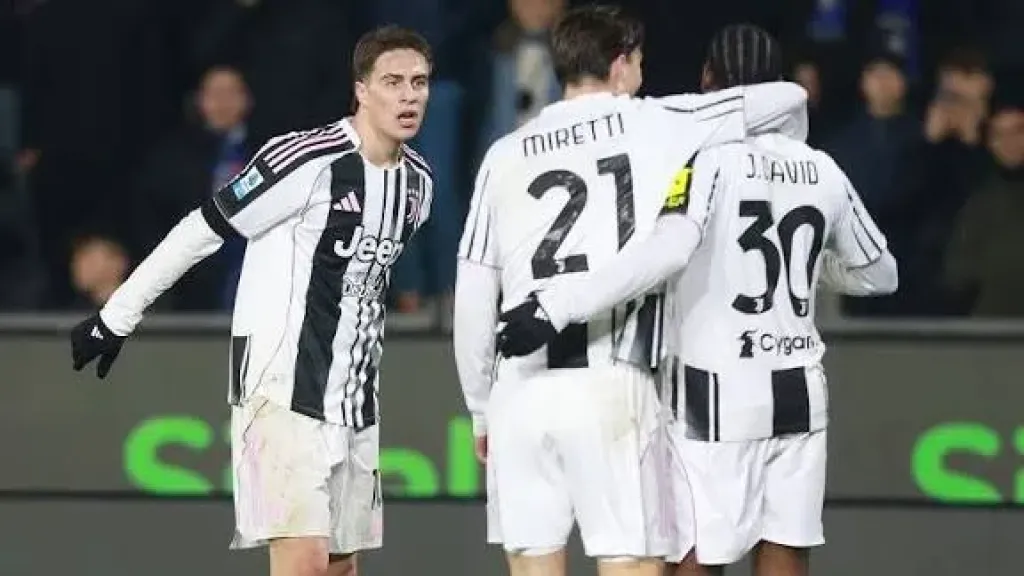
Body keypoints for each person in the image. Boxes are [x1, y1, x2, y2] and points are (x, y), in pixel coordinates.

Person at [495, 25, 898, 576]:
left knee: (696, 557)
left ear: (709, 80)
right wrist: (812, 267)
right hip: (800, 389)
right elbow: (880, 273)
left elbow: (665, 252)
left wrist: (557, 306)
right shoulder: (823, 170)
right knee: (786, 549)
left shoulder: (701, 161)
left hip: (714, 391)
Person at [68, 25, 434, 576]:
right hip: (281, 390)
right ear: (361, 90)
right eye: (393, 81)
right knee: (303, 563)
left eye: (419, 82)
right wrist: (117, 315)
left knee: (339, 567)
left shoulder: (418, 184)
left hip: (355, 403)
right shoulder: (305, 160)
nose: (409, 96)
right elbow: (202, 229)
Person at [453, 7, 807, 576]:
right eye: (639, 60)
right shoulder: (658, 120)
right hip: (612, 382)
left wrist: (479, 408)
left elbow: (473, 290)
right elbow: (785, 98)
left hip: (518, 391)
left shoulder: (504, 153)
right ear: (620, 64)